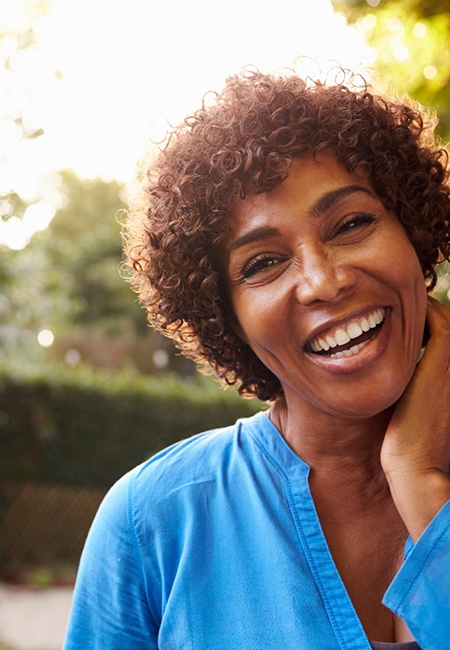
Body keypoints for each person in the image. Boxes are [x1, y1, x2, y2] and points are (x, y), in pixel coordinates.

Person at [64, 67, 450, 650]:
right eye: (262, 263)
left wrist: (420, 483)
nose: (323, 281)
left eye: (351, 224)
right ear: (228, 319)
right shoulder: (154, 522)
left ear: (413, 234)